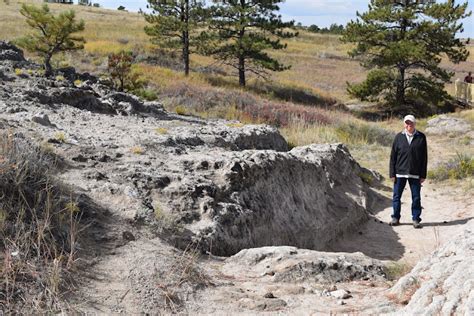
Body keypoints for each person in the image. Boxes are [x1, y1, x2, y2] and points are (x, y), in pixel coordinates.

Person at [389, 115, 428, 229]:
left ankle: (416, 219)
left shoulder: (421, 137)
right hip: (399, 172)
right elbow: (393, 157)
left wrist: (423, 175)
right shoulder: (398, 137)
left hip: (415, 173)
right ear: (404, 124)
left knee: (416, 197)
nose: (408, 125)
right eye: (406, 123)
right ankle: (395, 217)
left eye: (410, 123)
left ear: (414, 123)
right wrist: (392, 173)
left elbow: (424, 158)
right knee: (396, 196)